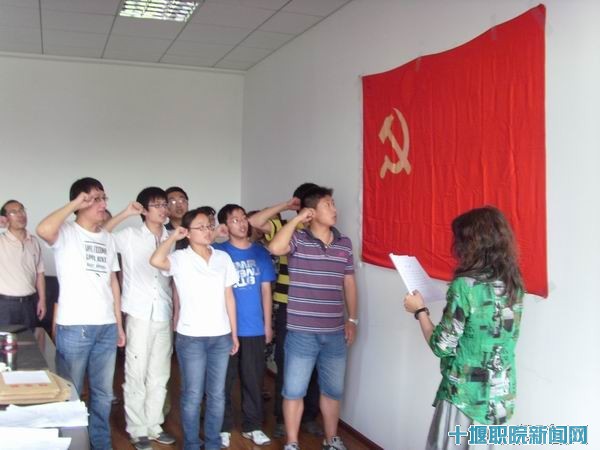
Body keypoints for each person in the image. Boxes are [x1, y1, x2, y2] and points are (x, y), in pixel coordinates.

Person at [403, 206, 524, 450]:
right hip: (499, 398)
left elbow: (441, 346)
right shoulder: (513, 283)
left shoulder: (465, 285)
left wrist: (420, 311)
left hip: (465, 397)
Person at [36, 177, 126, 450]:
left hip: (106, 326)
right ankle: (71, 444)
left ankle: (101, 443)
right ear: (80, 203)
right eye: (95, 199)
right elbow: (42, 229)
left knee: (103, 394)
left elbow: (113, 283)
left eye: (104, 198)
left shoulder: (108, 239)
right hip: (75, 327)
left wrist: (119, 324)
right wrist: (75, 203)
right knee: (70, 392)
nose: (102, 204)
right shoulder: (66, 233)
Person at [268, 186, 358, 450]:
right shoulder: (298, 239)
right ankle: (292, 442)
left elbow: (349, 283)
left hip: (334, 333)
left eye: (334, 203)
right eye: (328, 204)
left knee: (332, 390)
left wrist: (352, 320)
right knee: (294, 390)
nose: (335, 209)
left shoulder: (344, 243)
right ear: (312, 211)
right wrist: (297, 218)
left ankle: (332, 439)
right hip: (301, 332)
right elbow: (275, 247)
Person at [150, 208, 239, 450]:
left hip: (220, 335)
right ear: (187, 233)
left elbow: (229, 297)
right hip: (191, 338)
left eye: (209, 226)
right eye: (201, 227)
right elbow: (155, 260)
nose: (207, 231)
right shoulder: (180, 258)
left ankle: (212, 442)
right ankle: (191, 443)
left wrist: (233, 332)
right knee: (192, 394)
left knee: (217, 393)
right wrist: (172, 236)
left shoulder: (222, 258)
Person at [248, 182, 324, 439]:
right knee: (286, 363)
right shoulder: (284, 227)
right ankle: (283, 418)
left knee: (315, 365)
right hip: (288, 307)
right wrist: (287, 206)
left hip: (315, 309)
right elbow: (255, 222)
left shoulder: (324, 233)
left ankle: (309, 416)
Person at [104, 187, 177, 449]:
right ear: (144, 210)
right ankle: (137, 430)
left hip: (163, 312)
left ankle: (154, 425)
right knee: (136, 373)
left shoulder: (172, 237)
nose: (163, 209)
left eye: (164, 204)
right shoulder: (130, 236)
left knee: (160, 373)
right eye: (157, 205)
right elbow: (102, 234)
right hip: (138, 313)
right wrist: (126, 213)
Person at [215, 204, 276, 447]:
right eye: (234, 220)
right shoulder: (218, 251)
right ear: (225, 225)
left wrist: (267, 325)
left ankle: (253, 425)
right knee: (223, 381)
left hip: (253, 328)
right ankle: (222, 426)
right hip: (224, 328)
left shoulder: (260, 252)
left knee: (254, 379)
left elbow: (266, 291)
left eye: (243, 219)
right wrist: (215, 234)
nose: (241, 224)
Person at [0, 200, 46, 328]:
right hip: (4, 305)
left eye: (21, 210)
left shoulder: (34, 242)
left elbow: (40, 273)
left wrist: (42, 300)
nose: (20, 214)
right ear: (5, 218)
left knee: (28, 340)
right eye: (13, 212)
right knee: (4, 341)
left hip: (29, 304)